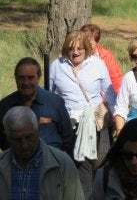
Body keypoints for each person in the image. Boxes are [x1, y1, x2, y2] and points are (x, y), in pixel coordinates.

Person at [50, 30, 116, 199]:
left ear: (87, 49)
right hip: (69, 123)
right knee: (78, 165)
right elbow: (50, 94)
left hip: (94, 122)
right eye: (72, 48)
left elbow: (109, 93)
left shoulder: (98, 64)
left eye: (80, 48)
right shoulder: (57, 66)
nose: (76, 52)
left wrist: (113, 116)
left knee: (93, 164)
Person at [0, 106, 83, 199]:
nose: (25, 145)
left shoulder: (62, 164)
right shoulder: (2, 165)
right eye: (17, 140)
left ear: (38, 130)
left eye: (29, 137)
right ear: (7, 137)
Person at [0, 57, 74, 153]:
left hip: (50, 164)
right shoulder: (5, 105)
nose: (26, 83)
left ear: (38, 78)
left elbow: (67, 138)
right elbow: (2, 140)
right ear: (15, 78)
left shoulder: (55, 103)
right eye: (21, 78)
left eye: (30, 78)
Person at [80, 24, 123, 95]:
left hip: (104, 98)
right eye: (84, 43)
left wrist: (115, 98)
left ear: (97, 42)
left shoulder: (106, 55)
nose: (86, 47)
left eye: (90, 44)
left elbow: (116, 79)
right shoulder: (76, 55)